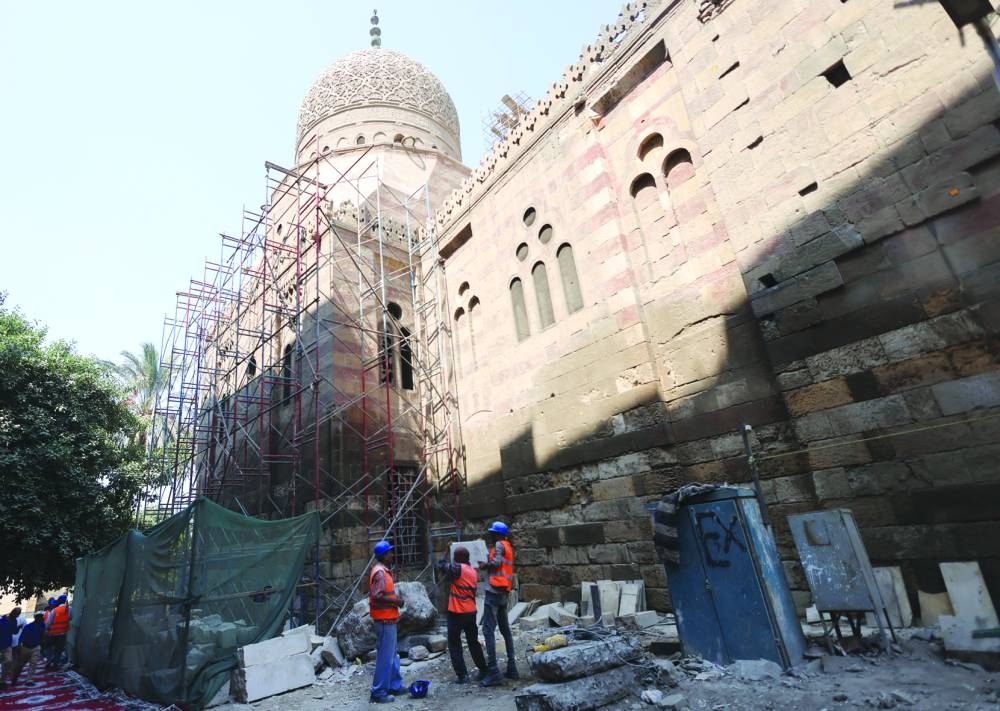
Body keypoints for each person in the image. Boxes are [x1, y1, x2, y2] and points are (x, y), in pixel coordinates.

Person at [437, 545, 487, 684]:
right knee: (473, 642)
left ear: (459, 558)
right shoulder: (472, 570)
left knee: (454, 644)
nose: (453, 559)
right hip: (471, 612)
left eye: (455, 556)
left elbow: (441, 564)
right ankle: (483, 669)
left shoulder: (458, 569)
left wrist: (446, 550)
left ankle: (462, 675)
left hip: (457, 612)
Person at [479, 521, 519, 686]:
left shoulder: (499, 545)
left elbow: (495, 563)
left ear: (498, 534)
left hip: (494, 590)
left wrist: (484, 565)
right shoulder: (508, 546)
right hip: (504, 591)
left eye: (493, 533)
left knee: (488, 630)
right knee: (505, 629)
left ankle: (493, 670)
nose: (491, 535)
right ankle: (512, 667)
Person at [369, 540, 406, 704]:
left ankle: (394, 685)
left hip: (388, 620)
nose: (392, 555)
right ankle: (378, 692)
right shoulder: (380, 573)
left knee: (392, 655)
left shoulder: (382, 571)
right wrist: (396, 601)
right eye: (390, 552)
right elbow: (377, 596)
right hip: (384, 621)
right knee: (385, 657)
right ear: (384, 555)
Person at [12, 612, 45, 686]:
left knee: (33, 663)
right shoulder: (28, 627)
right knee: (21, 664)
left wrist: (41, 645)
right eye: (39, 617)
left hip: (36, 647)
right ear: (35, 618)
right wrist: (19, 648)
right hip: (25, 648)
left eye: (41, 617)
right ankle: (15, 677)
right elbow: (21, 638)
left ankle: (29, 679)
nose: (41, 619)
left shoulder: (42, 625)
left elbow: (43, 635)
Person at [45, 594, 71, 669]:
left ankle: (49, 660)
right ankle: (55, 664)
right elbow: (70, 618)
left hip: (52, 633)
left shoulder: (54, 610)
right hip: (63, 633)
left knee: (47, 646)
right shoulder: (69, 609)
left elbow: (48, 622)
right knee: (58, 650)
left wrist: (46, 630)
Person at [0, 607, 22, 688]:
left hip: (7, 645)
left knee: (9, 661)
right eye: (16, 614)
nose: (16, 616)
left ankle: (2, 680)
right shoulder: (2, 620)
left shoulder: (14, 621)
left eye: (18, 615)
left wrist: (18, 627)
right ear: (12, 612)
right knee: (5, 662)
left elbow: (14, 632)